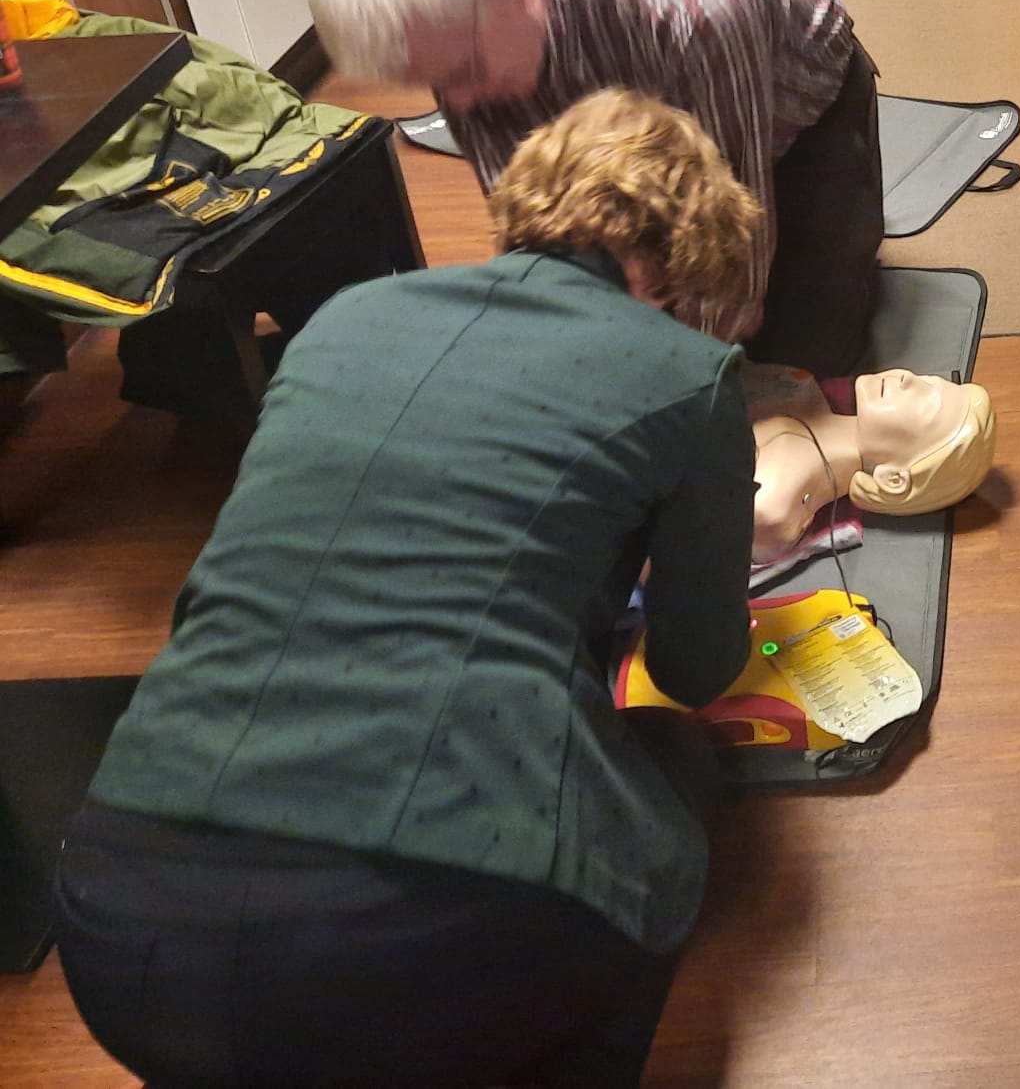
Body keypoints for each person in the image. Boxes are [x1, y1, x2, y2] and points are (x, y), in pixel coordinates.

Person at [54, 90, 765, 1089]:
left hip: (119, 937)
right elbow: (697, 668)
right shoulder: (689, 373)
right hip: (412, 948)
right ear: (682, 257)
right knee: (675, 768)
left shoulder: (348, 316)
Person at [305, 0, 883, 378]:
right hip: (633, 140)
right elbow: (529, 226)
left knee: (804, 361)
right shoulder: (458, 22)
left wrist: (677, 373)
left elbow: (730, 237)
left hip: (791, 118)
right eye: (436, 83)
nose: (459, 103)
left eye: (463, 72)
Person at [746, 364, 997, 562]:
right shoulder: (798, 384)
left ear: (893, 479)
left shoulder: (771, 502)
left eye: (926, 406)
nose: (907, 378)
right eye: (926, 380)